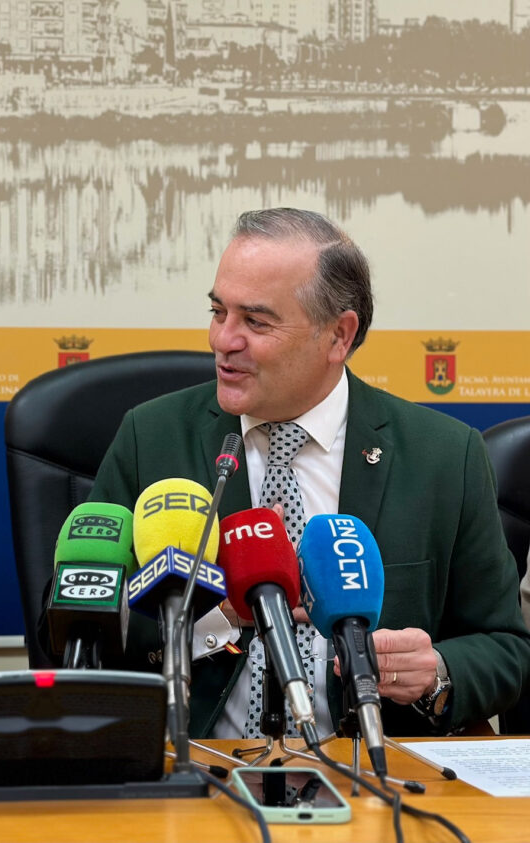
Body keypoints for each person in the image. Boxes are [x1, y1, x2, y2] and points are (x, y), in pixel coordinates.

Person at [89, 208, 530, 738]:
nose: (223, 340)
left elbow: (505, 647)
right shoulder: (151, 437)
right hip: (198, 770)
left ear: (338, 336)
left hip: (372, 774)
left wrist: (435, 672)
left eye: (255, 321)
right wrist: (216, 617)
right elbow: (80, 627)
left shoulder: (443, 455)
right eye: (218, 311)